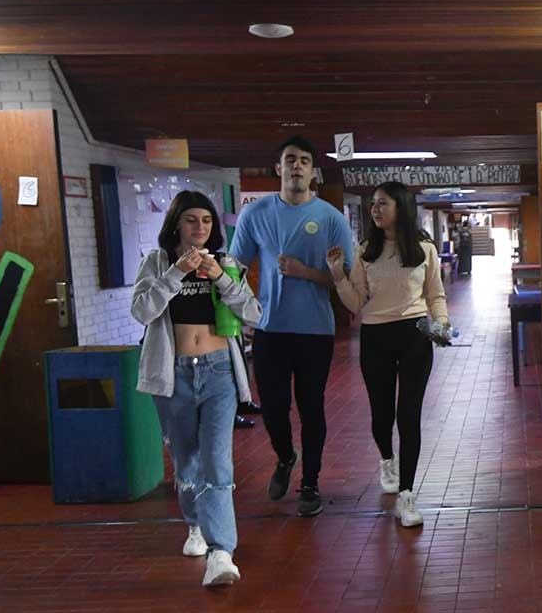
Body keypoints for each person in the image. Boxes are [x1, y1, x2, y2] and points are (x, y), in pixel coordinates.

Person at [132, 190, 261, 587]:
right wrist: (177, 274)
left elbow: (254, 313)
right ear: (176, 224)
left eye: (206, 221)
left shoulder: (225, 264)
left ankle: (222, 552)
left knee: (218, 461)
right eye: (191, 220)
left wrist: (220, 278)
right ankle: (195, 525)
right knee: (186, 460)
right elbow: (142, 311)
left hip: (219, 370)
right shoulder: (156, 263)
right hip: (174, 375)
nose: (199, 228)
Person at [228, 136, 355, 517]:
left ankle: (311, 483)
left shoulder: (332, 218)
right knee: (275, 408)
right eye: (290, 160)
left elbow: (342, 279)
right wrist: (238, 315)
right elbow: (234, 268)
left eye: (303, 161)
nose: (296, 166)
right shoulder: (256, 214)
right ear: (278, 168)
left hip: (315, 330)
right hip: (269, 328)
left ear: (312, 171)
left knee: (311, 406)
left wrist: (305, 272)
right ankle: (286, 456)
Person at [327, 181, 448, 528]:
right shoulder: (366, 250)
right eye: (374, 204)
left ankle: (407, 495)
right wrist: (337, 275)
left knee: (408, 414)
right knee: (382, 416)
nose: (375, 210)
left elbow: (435, 294)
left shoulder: (424, 249)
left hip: (415, 336)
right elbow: (355, 303)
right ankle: (386, 458)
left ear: (402, 207)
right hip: (376, 337)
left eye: (383, 203)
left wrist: (441, 323)